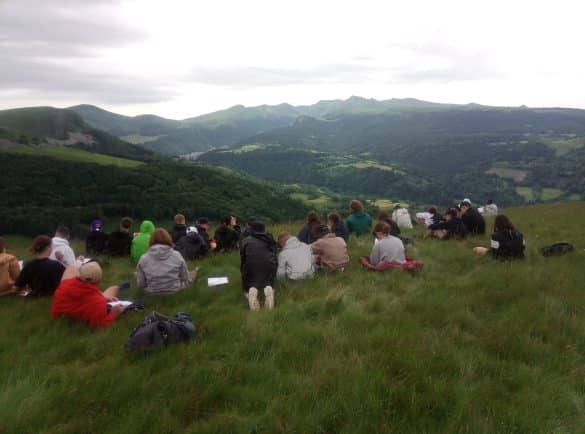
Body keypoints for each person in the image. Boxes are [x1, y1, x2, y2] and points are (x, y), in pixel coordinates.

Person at [51, 261, 124, 328]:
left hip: (59, 318)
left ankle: (105, 295)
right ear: (99, 281)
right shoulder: (97, 302)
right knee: (115, 288)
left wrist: (104, 298)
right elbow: (99, 325)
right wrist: (113, 313)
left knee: (71, 268)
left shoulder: (65, 284)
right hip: (77, 324)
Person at [137, 228, 195, 294]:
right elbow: (185, 278)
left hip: (151, 293)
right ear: (168, 238)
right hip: (175, 291)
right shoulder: (177, 255)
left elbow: (141, 284)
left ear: (151, 240)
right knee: (193, 273)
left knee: (137, 274)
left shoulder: (143, 258)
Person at [240, 221, 277, 310]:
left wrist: (243, 273)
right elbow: (275, 256)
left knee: (249, 279)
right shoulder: (270, 240)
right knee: (268, 278)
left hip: (251, 267)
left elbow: (243, 259)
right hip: (270, 266)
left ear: (252, 230)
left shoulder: (246, 240)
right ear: (264, 230)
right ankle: (269, 287)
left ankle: (251, 290)